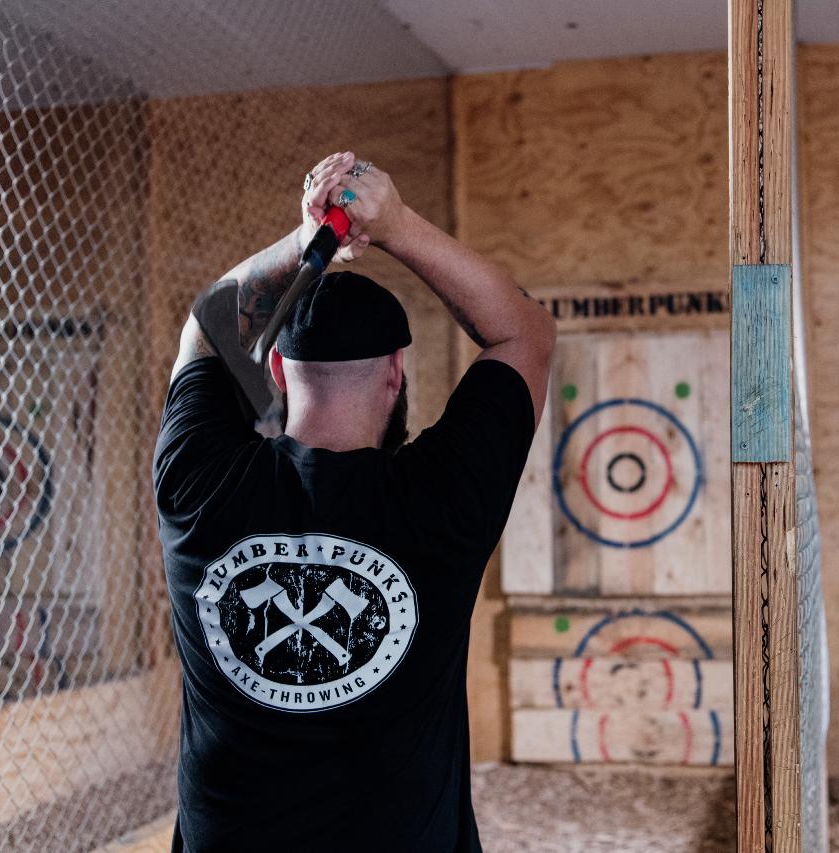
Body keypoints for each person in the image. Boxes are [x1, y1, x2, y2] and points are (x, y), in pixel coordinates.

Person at [153, 150, 556, 852]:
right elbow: (523, 332)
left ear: (276, 368)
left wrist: (312, 236)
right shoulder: (441, 497)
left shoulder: (198, 484)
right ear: (396, 373)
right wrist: (396, 226)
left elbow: (207, 326)